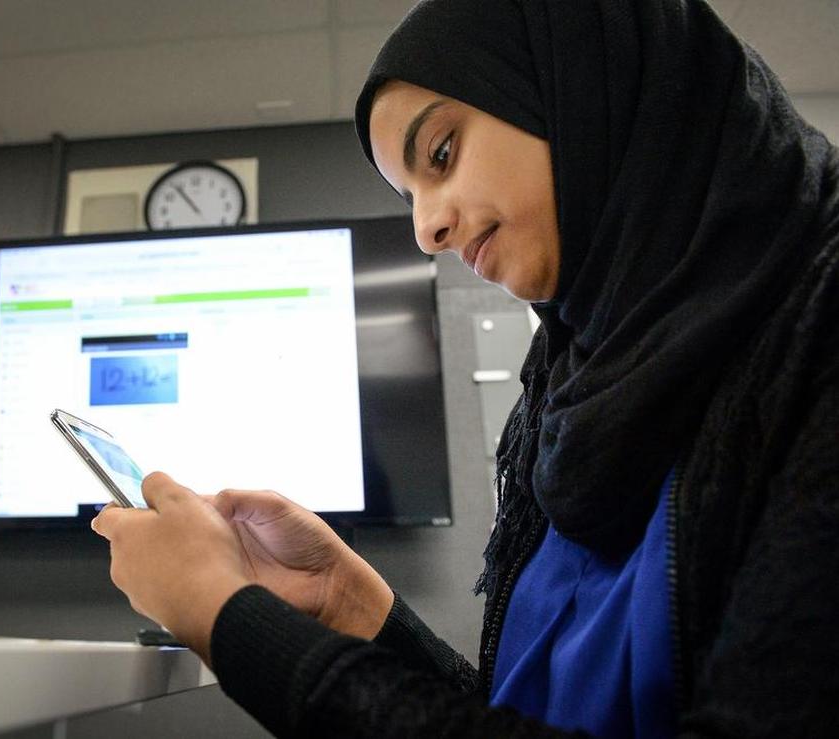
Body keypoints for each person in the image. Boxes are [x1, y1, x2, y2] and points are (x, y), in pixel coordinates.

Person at [92, 0, 839, 735]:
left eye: (441, 154)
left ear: (579, 83)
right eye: (411, 195)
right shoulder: (571, 385)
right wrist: (351, 604)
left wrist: (227, 616)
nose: (427, 228)